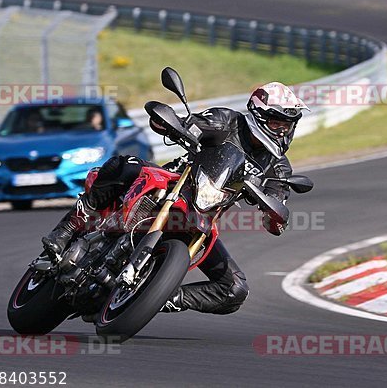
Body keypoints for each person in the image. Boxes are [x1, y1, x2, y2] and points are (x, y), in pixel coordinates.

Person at [42, 82, 308, 315]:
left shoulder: (278, 167)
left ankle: (160, 297)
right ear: (259, 115)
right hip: (172, 182)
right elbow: (189, 124)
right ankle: (64, 232)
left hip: (202, 216)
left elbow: (277, 200)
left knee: (235, 289)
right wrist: (173, 125)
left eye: (287, 125)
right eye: (277, 123)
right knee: (122, 165)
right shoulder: (227, 120)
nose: (283, 130)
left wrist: (275, 216)